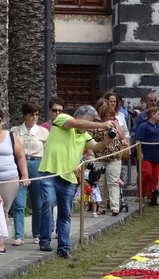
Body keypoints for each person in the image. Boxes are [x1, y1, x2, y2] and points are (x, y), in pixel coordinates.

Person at [38, 105, 113, 258]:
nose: (88, 127)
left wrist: (108, 140)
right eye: (88, 122)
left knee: (65, 213)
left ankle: (64, 248)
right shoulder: (62, 119)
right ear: (78, 117)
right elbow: (78, 125)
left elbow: (96, 146)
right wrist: (102, 124)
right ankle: (45, 239)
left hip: (68, 178)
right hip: (49, 173)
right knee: (48, 202)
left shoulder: (85, 136)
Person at [0, 106, 28, 250]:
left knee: (1, 209)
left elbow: (20, 156)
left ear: (3, 121)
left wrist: (25, 175)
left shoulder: (10, 136)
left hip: (9, 178)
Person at [12, 100, 46, 244]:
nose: (34, 117)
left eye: (37, 115)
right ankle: (19, 236)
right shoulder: (14, 131)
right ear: (25, 115)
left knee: (37, 202)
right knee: (19, 203)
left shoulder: (44, 132)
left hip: (37, 165)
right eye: (31, 114)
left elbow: (48, 152)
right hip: (18, 165)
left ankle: (37, 233)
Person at [134, 92, 159, 191]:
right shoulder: (142, 117)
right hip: (145, 150)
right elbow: (136, 132)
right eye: (151, 101)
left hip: (158, 148)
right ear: (146, 102)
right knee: (143, 172)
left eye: (155, 100)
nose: (153, 102)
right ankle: (141, 194)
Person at [96, 99, 128, 215]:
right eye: (108, 117)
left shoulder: (116, 124)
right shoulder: (98, 126)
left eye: (112, 117)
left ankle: (115, 207)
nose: (110, 119)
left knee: (113, 182)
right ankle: (102, 207)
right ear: (103, 117)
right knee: (101, 184)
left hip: (114, 158)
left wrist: (124, 141)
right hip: (100, 158)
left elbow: (123, 137)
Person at [135, 107, 159, 201]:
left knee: (154, 178)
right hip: (146, 155)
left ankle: (152, 196)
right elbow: (138, 140)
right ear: (152, 115)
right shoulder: (144, 126)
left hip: (156, 156)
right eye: (158, 114)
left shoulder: (157, 128)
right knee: (147, 174)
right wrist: (139, 152)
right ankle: (140, 195)